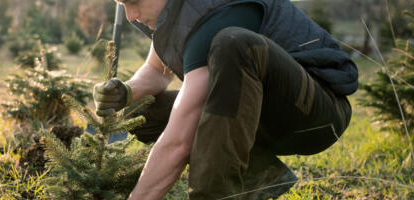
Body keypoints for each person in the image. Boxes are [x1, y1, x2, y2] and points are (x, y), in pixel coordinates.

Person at [93, 0, 358, 199]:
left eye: (133, 2)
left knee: (233, 43)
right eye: (122, 4)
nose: (131, 16)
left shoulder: (214, 13)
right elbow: (156, 71)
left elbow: (178, 141)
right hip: (259, 108)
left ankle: (216, 194)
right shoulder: (174, 11)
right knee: (141, 111)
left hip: (316, 111)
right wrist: (126, 91)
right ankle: (259, 174)